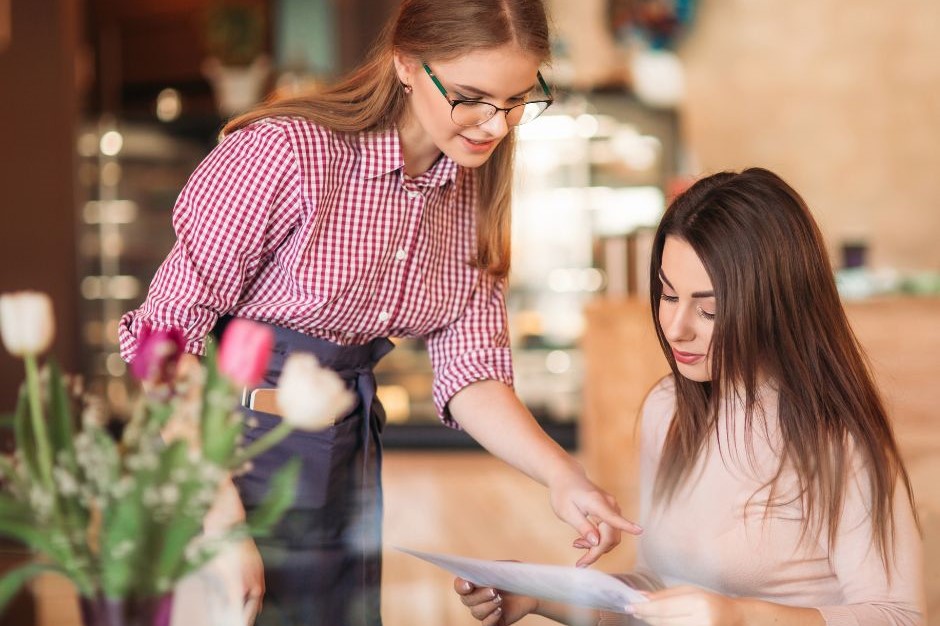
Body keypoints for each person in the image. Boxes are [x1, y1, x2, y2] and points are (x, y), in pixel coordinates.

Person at [119, 1, 641, 625]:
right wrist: (219, 519)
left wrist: (564, 477)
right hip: (220, 459)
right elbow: (161, 340)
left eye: (515, 101)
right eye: (471, 97)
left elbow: (472, 368)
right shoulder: (287, 154)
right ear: (404, 63)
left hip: (343, 456)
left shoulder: (470, 190)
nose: (494, 126)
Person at [454, 168, 925, 625]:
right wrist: (541, 596)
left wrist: (741, 617)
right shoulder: (670, 408)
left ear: (774, 303)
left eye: (709, 309)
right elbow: (657, 594)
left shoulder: (836, 438)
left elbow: (898, 617)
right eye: (667, 294)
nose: (676, 328)